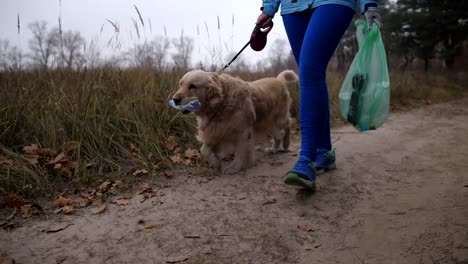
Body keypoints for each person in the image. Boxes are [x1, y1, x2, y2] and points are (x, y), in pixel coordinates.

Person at [256, 0, 382, 190]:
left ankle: (306, 159)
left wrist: (370, 4)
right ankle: (324, 151)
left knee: (309, 71)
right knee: (312, 74)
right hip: (293, 5)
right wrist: (269, 7)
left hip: (332, 3)